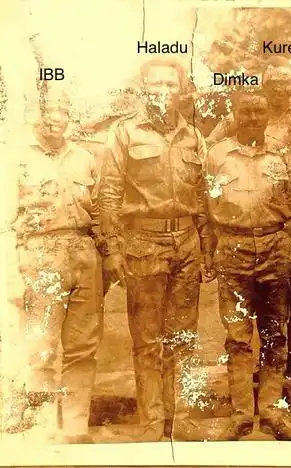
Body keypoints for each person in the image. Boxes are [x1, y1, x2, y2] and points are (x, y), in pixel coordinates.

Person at [98, 57, 210, 442]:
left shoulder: (194, 135)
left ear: (181, 91)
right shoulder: (125, 133)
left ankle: (179, 419)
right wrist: (112, 248)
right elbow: (109, 193)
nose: (163, 92)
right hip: (143, 242)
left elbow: (202, 194)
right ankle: (151, 422)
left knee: (183, 336)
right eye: (155, 85)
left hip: (187, 242)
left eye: (170, 85)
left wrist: (207, 247)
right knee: (147, 338)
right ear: (143, 90)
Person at [204, 88, 291, 440]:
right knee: (238, 336)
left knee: (276, 334)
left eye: (259, 112)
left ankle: (273, 413)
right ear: (235, 114)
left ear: (267, 116)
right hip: (233, 247)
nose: (253, 119)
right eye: (246, 112)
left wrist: (285, 241)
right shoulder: (217, 156)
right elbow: (206, 206)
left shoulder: (283, 154)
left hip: (275, 247)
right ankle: (242, 414)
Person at [8, 91, 104, 443]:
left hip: (82, 250)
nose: (56, 118)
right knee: (42, 347)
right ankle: (44, 426)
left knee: (83, 345)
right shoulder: (16, 158)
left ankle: (76, 427)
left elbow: (98, 212)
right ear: (36, 114)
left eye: (63, 111)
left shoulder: (84, 157)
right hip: (40, 253)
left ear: (70, 117)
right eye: (49, 111)